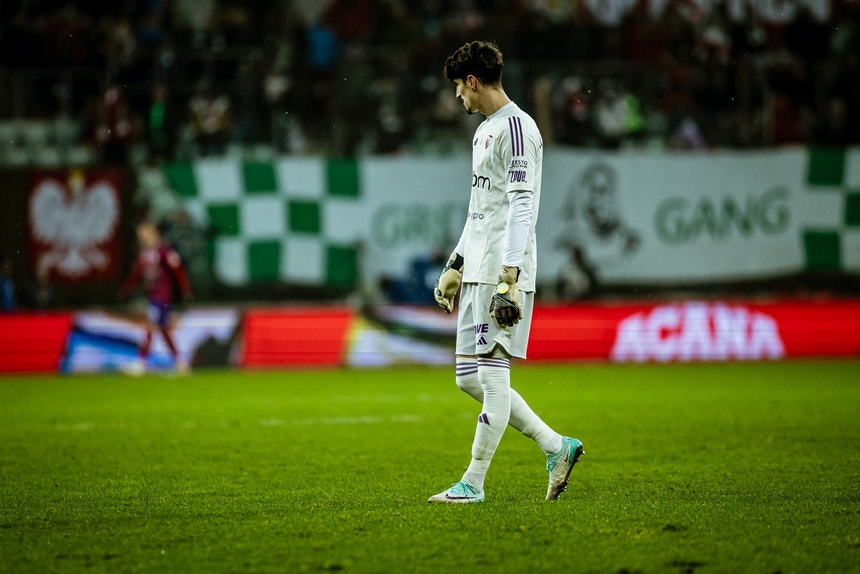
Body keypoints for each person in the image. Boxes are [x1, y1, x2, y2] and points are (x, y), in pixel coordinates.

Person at [429, 41, 583, 504]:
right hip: (477, 268)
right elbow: (481, 207)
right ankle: (556, 446)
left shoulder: (517, 129)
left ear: (472, 81)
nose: (458, 96)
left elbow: (521, 206)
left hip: (501, 271)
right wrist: (456, 263)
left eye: (459, 87)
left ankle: (472, 483)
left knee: (493, 377)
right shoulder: (484, 132)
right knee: (467, 377)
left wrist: (509, 275)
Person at [119, 221, 192, 375]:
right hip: (153, 295)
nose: (141, 237)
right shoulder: (144, 253)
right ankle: (180, 363)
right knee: (163, 330)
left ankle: (140, 363)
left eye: (143, 233)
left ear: (152, 233)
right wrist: (126, 289)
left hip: (162, 296)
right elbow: (137, 273)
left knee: (150, 326)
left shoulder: (163, 251)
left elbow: (178, 270)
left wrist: (185, 290)